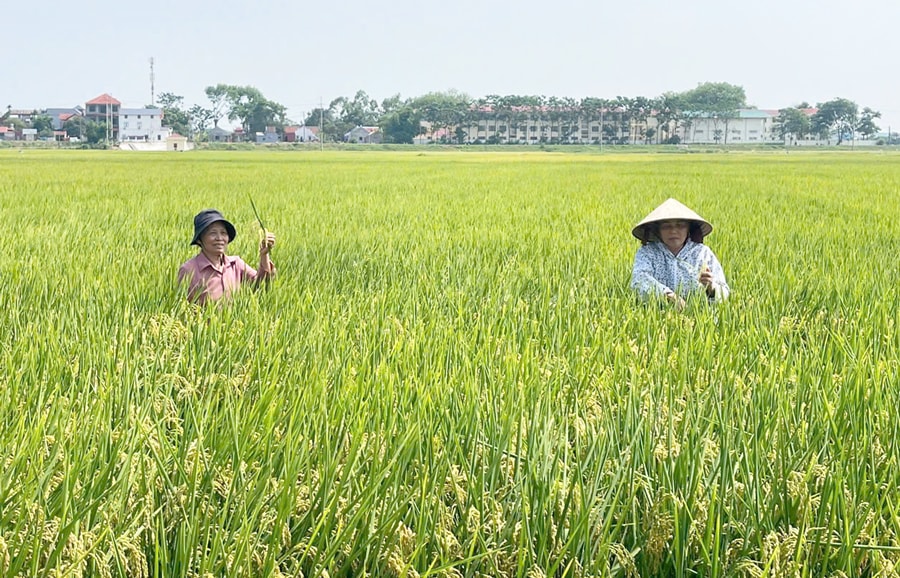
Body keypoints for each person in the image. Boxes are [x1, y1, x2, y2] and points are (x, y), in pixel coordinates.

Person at [630, 198, 729, 308]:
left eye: (680, 225)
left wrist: (711, 286)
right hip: (657, 317)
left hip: (697, 318)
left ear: (688, 229)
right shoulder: (647, 253)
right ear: (658, 230)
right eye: (666, 226)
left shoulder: (702, 253)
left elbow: (724, 292)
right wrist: (668, 296)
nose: (673, 231)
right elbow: (639, 279)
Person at [178, 209, 276, 305]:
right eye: (213, 233)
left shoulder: (236, 264)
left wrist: (264, 255)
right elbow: (181, 306)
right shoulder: (189, 270)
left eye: (223, 233)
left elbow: (260, 285)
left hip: (235, 320)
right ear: (199, 240)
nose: (219, 238)